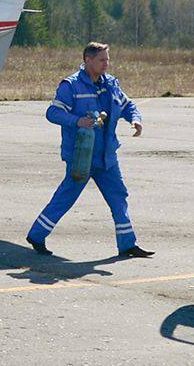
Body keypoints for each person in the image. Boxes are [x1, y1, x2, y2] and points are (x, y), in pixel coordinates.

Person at [26, 42, 153, 258]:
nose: (106, 63)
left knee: (118, 196)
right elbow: (53, 113)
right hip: (82, 156)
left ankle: (127, 244)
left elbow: (127, 105)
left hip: (107, 157)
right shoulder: (71, 86)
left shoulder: (111, 83)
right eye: (102, 59)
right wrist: (78, 121)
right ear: (88, 60)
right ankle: (37, 235)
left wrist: (135, 120)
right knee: (66, 197)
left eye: (107, 59)